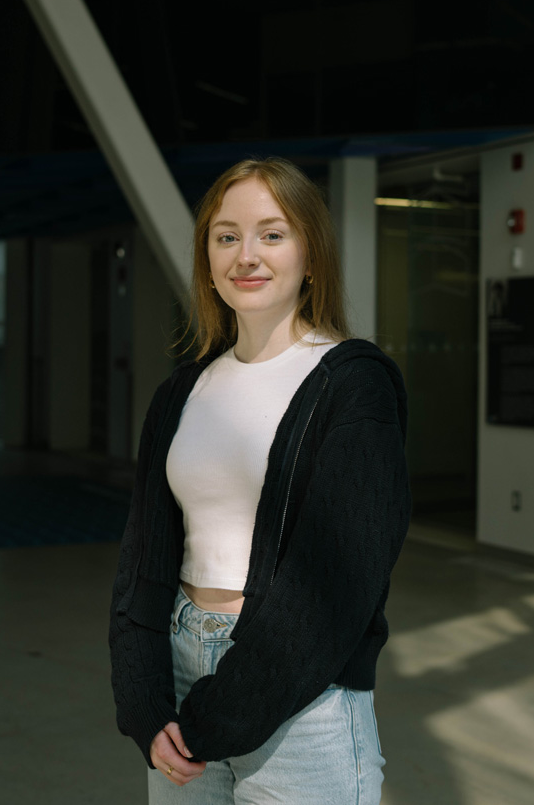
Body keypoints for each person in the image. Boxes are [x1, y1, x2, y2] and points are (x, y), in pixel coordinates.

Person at [109, 157, 411, 803]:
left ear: (311, 253)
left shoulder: (353, 385)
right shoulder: (181, 392)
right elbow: (143, 557)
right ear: (207, 258)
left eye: (272, 234)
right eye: (226, 236)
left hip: (303, 701)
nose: (246, 255)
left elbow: (341, 581)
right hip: (180, 680)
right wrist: (144, 701)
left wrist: (220, 715)